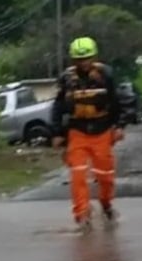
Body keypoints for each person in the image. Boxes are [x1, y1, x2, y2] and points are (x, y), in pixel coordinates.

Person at [51, 37, 127, 233]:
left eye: (86, 58)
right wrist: (57, 132)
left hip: (102, 130)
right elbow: (58, 106)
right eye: (78, 59)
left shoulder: (106, 75)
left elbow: (116, 102)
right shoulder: (66, 79)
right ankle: (82, 215)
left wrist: (119, 126)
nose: (83, 63)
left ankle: (106, 204)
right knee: (78, 175)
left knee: (106, 177)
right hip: (77, 131)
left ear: (94, 57)